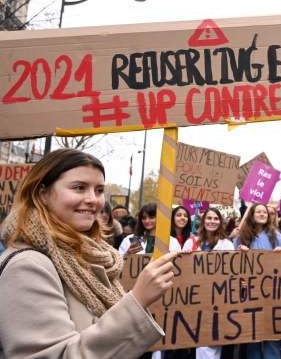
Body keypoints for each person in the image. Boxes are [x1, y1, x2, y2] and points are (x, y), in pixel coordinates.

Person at [0, 148, 178, 357]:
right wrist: (138, 300)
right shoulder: (28, 266)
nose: (93, 199)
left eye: (99, 190)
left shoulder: (89, 255)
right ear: (42, 194)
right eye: (79, 188)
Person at [234, 203, 281, 359]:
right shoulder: (241, 237)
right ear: (252, 215)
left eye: (265, 212)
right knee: (253, 334)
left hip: (272, 291)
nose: (263, 214)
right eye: (259, 212)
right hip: (250, 292)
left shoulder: (276, 236)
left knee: (272, 335)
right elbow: (233, 265)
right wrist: (240, 280)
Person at [180, 207, 232, 359]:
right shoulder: (192, 242)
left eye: (216, 219)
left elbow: (232, 271)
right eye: (209, 218)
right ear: (203, 221)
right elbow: (183, 269)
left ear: (220, 222)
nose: (212, 221)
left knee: (212, 340)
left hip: (218, 298)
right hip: (196, 298)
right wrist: (186, 255)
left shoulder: (227, 244)